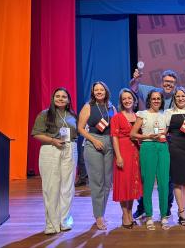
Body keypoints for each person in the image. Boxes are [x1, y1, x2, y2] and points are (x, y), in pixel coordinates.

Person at [130, 69, 179, 218]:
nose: (168, 84)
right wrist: (135, 79)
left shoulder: (178, 96)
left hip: (168, 143)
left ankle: (167, 208)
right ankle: (143, 207)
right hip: (149, 142)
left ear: (175, 84)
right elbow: (134, 87)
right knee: (147, 177)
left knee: (168, 179)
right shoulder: (152, 91)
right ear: (162, 82)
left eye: (171, 82)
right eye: (166, 81)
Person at [31, 87, 77, 235]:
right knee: (51, 187)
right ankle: (51, 223)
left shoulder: (72, 115)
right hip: (50, 149)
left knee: (67, 187)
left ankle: (64, 220)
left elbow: (77, 133)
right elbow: (36, 134)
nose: (61, 99)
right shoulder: (44, 114)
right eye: (58, 96)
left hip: (69, 149)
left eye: (64, 96)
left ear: (68, 100)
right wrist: (53, 141)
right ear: (53, 98)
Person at [78, 81, 116, 230]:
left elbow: (116, 126)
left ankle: (102, 213)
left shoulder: (111, 107)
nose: (99, 92)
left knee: (107, 184)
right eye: (96, 90)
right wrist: (94, 140)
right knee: (97, 183)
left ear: (106, 91)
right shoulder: (88, 106)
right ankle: (98, 216)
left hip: (109, 143)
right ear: (93, 92)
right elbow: (80, 128)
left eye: (102, 90)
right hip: (94, 143)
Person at [130, 89, 170, 231]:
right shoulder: (142, 114)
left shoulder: (165, 115)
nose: (156, 101)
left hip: (163, 148)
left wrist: (164, 133)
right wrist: (147, 137)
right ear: (149, 100)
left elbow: (166, 131)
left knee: (164, 183)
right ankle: (149, 216)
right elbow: (133, 134)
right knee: (147, 183)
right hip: (147, 148)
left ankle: (164, 216)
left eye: (158, 98)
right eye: (153, 98)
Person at [164, 87, 185, 226]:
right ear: (174, 98)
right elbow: (163, 131)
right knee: (178, 181)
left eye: (183, 96)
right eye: (178, 96)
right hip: (175, 149)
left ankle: (180, 209)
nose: (181, 98)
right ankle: (182, 211)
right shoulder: (168, 112)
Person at [111, 88, 143, 229]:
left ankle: (130, 212)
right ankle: (125, 214)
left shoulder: (138, 117)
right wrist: (118, 156)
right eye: (124, 99)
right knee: (124, 184)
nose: (127, 100)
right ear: (121, 101)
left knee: (132, 184)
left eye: (129, 98)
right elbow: (114, 137)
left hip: (136, 153)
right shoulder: (117, 117)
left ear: (134, 100)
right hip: (123, 153)